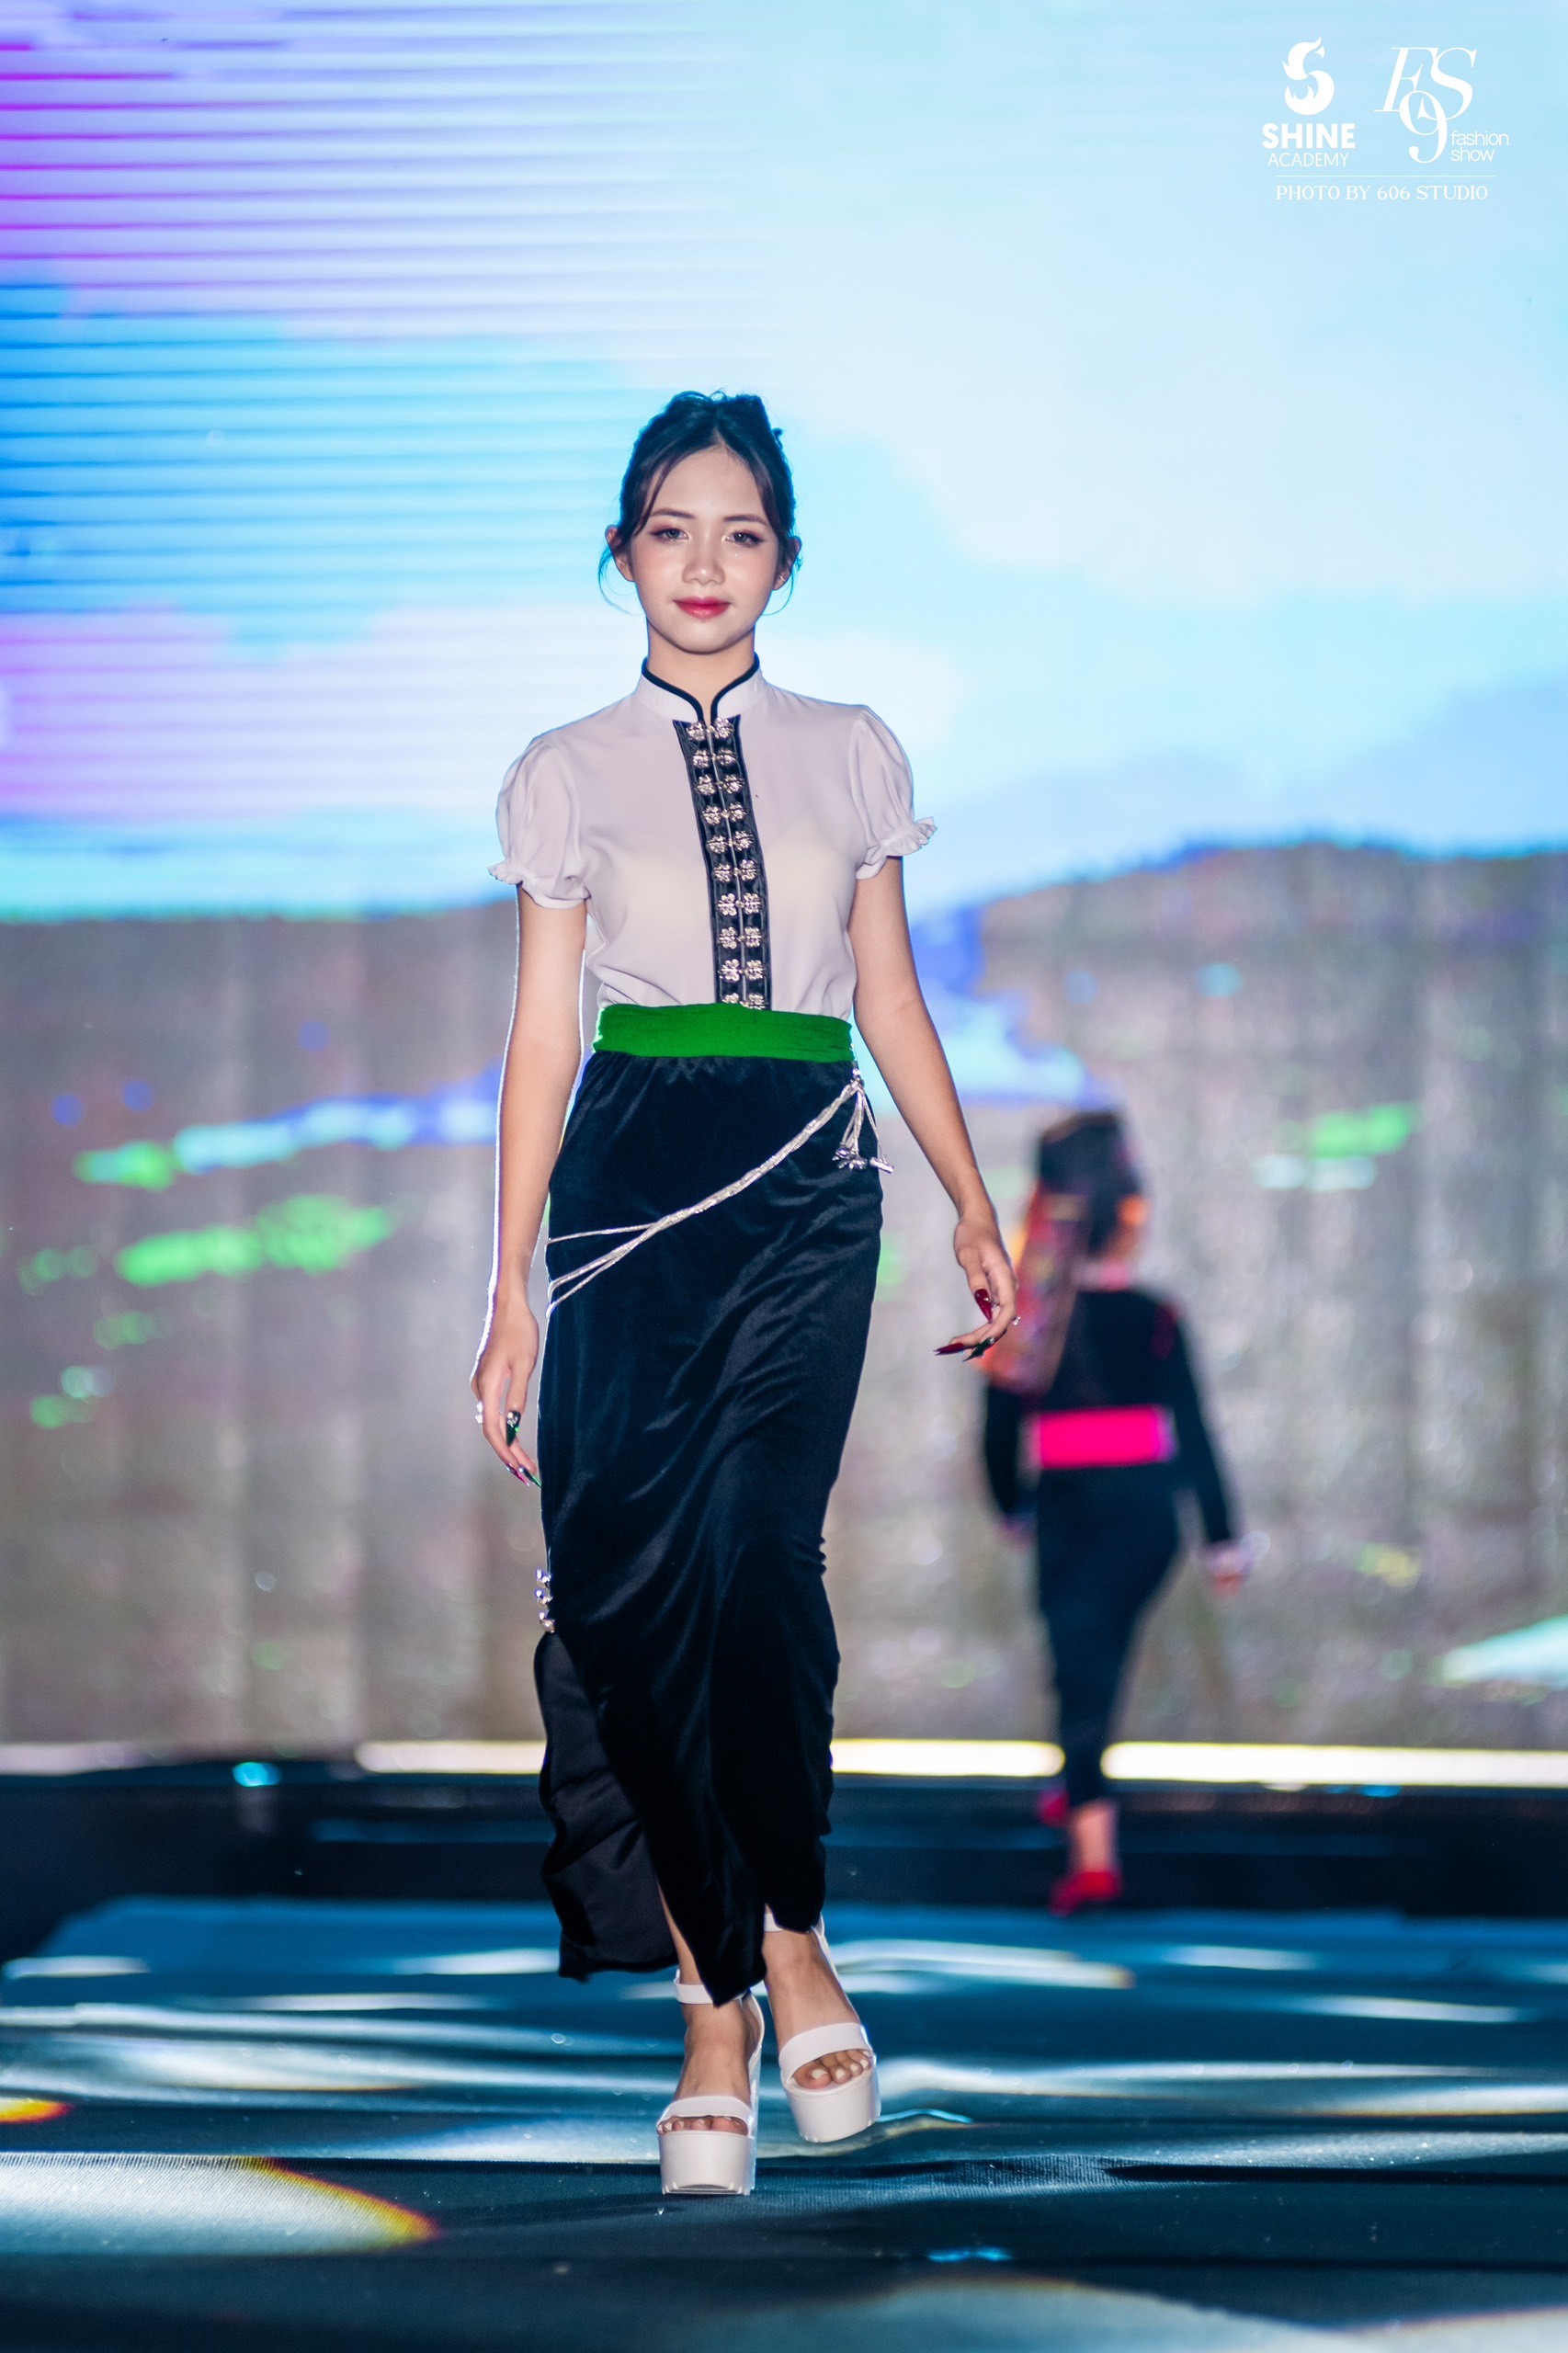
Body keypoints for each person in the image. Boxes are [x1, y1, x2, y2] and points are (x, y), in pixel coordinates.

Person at [471, 391, 1017, 2196]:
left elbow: (891, 997)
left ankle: (790, 1933)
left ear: (784, 559)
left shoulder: (850, 751)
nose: (705, 564)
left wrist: (971, 1197)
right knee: (634, 1597)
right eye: (671, 529)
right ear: (621, 550)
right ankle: (720, 2002)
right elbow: (543, 1038)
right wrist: (508, 1290)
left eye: (743, 533)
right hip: (629, 1186)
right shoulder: (563, 770)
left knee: (762, 1564)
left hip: (802, 1177)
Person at [982, 1111, 1251, 1916]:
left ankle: (1092, 1852)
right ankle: (1082, 1787)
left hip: (1071, 1513)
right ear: (1130, 1210)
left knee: (1082, 1675)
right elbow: (1194, 1431)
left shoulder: (1027, 1317)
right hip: (1146, 1516)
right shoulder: (1154, 1316)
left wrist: (1012, 1505)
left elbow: (998, 1429)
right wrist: (1222, 1539)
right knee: (1090, 1669)